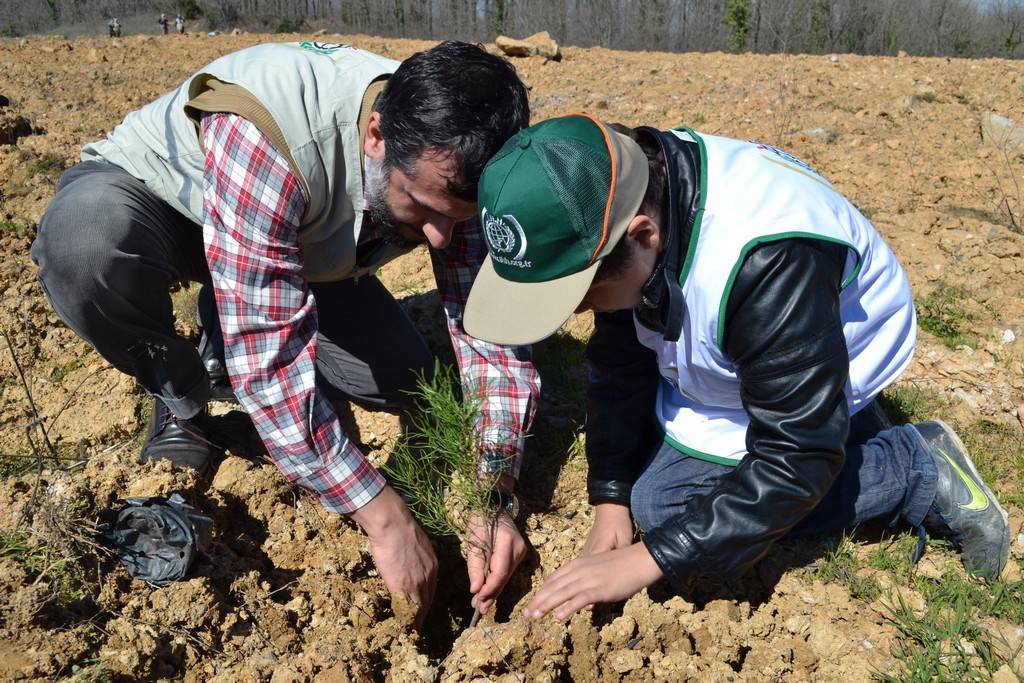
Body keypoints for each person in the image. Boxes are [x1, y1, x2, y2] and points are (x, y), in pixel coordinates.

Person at [32, 40, 539, 627]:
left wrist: (493, 490)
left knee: (406, 381)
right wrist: (384, 517)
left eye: (460, 218)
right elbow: (269, 367)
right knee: (85, 247)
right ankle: (181, 395)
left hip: (296, 244)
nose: (442, 237)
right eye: (422, 209)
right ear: (375, 136)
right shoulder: (273, 135)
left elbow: (490, 334)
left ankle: (237, 308)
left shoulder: (458, 156)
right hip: (165, 206)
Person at [463, 113, 1012, 621]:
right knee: (645, 497)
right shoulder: (622, 189)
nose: (579, 312)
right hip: (760, 345)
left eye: (582, 294)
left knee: (669, 505)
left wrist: (648, 558)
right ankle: (851, 431)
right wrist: (610, 495)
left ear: (642, 237)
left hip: (830, 339)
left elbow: (797, 457)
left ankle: (915, 468)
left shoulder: (764, 261)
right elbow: (619, 361)